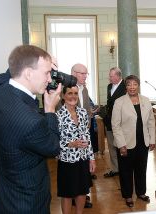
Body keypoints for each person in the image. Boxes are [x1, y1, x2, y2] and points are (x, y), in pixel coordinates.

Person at [0, 44, 62, 213]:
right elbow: (53, 147)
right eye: (46, 73)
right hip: (29, 203)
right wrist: (50, 110)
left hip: (7, 196)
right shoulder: (31, 122)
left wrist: (38, 59)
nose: (50, 79)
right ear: (28, 73)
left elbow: (11, 70)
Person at [111, 75, 156, 207]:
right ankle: (128, 195)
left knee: (141, 168)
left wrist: (152, 139)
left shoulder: (146, 100)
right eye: (129, 84)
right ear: (126, 86)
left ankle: (141, 192)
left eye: (134, 84)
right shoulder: (119, 102)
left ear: (138, 85)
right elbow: (115, 125)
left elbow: (151, 122)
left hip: (143, 141)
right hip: (126, 142)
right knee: (126, 170)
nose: (132, 87)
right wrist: (121, 144)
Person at [56, 86, 96, 214]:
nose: (73, 96)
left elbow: (87, 136)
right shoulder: (57, 115)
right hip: (66, 160)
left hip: (83, 158)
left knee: (83, 190)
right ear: (63, 96)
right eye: (69, 93)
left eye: (75, 93)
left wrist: (92, 158)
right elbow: (53, 141)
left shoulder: (83, 112)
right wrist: (71, 144)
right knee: (67, 193)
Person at [71, 63, 94, 208]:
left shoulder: (84, 89)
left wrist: (90, 117)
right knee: (72, 169)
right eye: (82, 73)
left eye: (86, 74)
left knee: (83, 168)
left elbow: (85, 110)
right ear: (73, 73)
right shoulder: (65, 90)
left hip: (84, 134)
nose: (85, 76)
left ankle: (82, 195)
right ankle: (73, 195)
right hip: (71, 136)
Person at [103, 67, 126, 178]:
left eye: (111, 76)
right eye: (110, 76)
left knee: (122, 145)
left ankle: (124, 169)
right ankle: (115, 168)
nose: (109, 78)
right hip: (109, 121)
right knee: (112, 146)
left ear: (118, 76)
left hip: (121, 123)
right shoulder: (109, 86)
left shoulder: (125, 87)